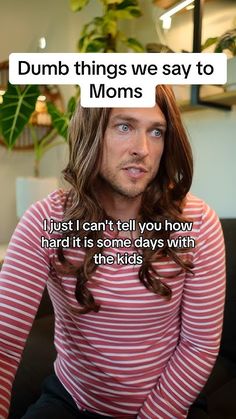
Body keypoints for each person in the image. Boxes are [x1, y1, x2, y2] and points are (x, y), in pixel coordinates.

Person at [0, 85, 225, 419]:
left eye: (156, 131)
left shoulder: (198, 223)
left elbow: (199, 346)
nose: (142, 149)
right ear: (93, 133)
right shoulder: (45, 221)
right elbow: (3, 341)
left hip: (168, 404)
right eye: (124, 126)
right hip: (72, 400)